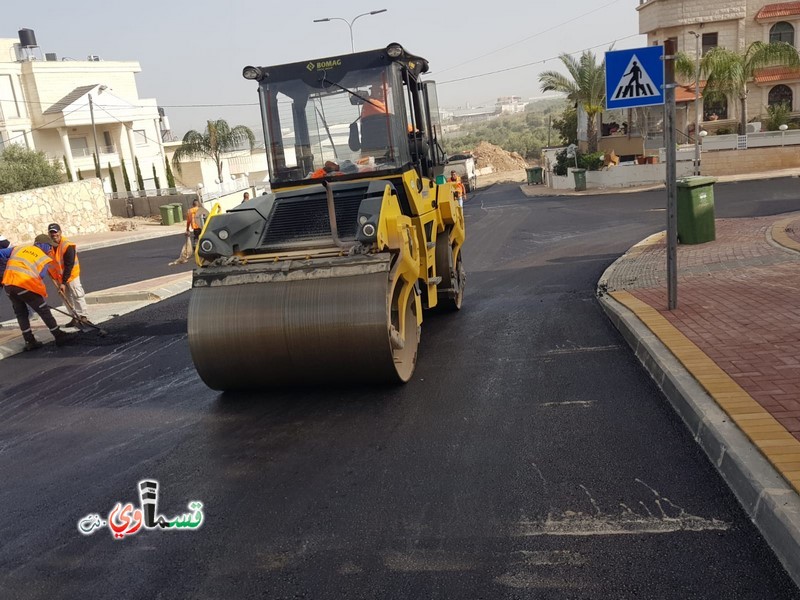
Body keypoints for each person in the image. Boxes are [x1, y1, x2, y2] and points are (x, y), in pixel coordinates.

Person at [1, 235, 70, 351]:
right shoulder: (43, 258)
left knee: (21, 314)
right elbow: (40, 276)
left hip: (8, 284)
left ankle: (30, 341)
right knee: (43, 311)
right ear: (42, 245)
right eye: (49, 246)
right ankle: (58, 335)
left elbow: (1, 254)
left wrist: (7, 266)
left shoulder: (18, 248)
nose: (49, 249)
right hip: (25, 285)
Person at [46, 223, 89, 327]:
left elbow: (69, 265)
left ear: (60, 232)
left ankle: (83, 317)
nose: (54, 235)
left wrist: (64, 282)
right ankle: (74, 317)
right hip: (58, 277)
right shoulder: (49, 247)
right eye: (51, 233)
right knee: (65, 297)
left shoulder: (67, 245)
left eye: (55, 232)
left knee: (77, 294)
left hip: (71, 275)